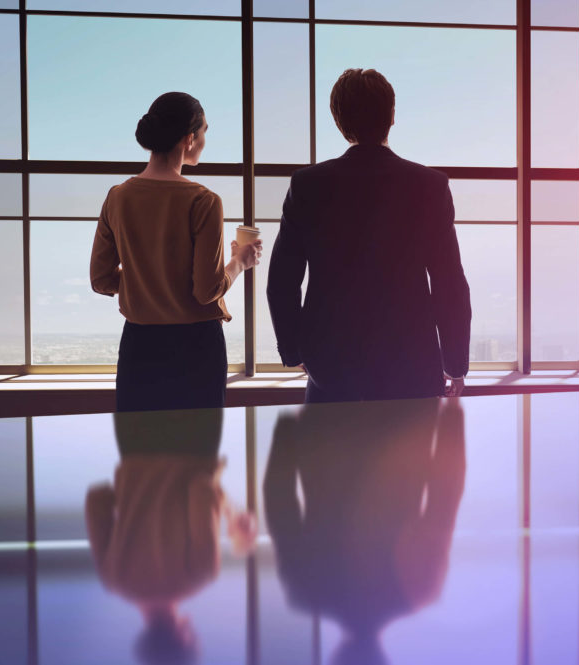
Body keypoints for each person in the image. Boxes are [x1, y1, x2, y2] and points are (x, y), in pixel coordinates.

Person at [267, 68, 471, 403]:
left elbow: (283, 279)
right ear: (392, 116)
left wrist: (293, 349)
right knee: (410, 457)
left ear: (339, 121)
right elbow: (449, 281)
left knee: (331, 455)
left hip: (331, 365)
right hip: (413, 365)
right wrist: (455, 362)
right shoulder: (429, 186)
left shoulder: (309, 184)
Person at [90, 91, 262, 412]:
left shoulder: (118, 197)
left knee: (139, 452)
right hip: (195, 348)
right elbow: (206, 290)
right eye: (204, 132)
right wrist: (239, 261)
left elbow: (100, 279)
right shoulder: (203, 200)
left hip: (139, 346)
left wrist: (147, 281)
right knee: (198, 452)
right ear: (188, 139)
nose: (205, 141)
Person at [263, 398, 466, 665]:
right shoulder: (304, 589)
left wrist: (452, 421)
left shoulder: (421, 590)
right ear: (337, 657)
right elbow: (279, 499)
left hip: (407, 412)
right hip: (330, 418)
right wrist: (287, 429)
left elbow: (444, 495)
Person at [85, 408, 257, 665]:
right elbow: (97, 499)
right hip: (135, 442)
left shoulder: (201, 575)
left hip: (193, 442)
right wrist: (133, 491)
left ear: (185, 638)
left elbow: (201, 489)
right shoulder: (113, 580)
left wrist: (232, 518)